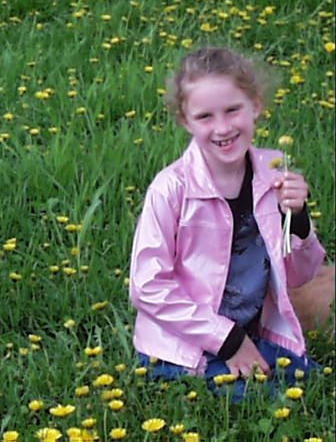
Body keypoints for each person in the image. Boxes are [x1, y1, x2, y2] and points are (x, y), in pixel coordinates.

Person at [129, 47, 326, 401]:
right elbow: (147, 286)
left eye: (233, 110)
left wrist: (297, 220)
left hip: (252, 331)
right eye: (205, 116)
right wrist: (228, 341)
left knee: (307, 382)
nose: (222, 128)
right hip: (183, 342)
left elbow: (299, 276)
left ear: (256, 105)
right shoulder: (171, 189)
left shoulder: (273, 173)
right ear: (185, 121)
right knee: (259, 398)